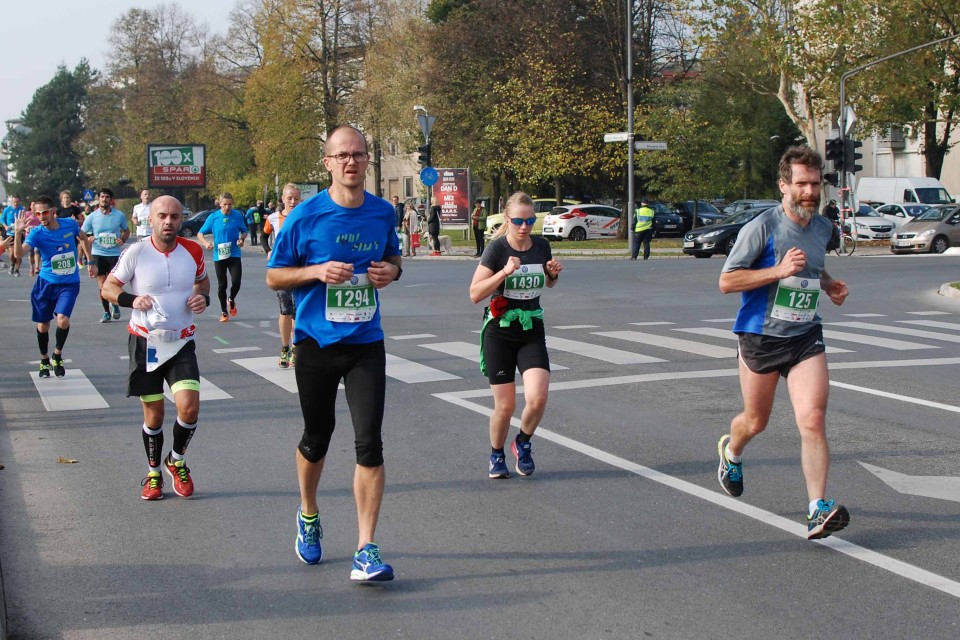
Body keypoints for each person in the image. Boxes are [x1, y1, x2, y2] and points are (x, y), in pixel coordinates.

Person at [266, 124, 401, 582]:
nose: (351, 162)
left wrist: (390, 272)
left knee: (370, 443)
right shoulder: (304, 216)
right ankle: (308, 513)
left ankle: (366, 547)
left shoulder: (383, 212)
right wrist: (317, 271)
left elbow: (393, 259)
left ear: (367, 161)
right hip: (317, 343)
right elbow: (274, 277)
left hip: (366, 343)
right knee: (317, 437)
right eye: (341, 155)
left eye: (358, 154)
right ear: (327, 163)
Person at [716, 145, 851, 541]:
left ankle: (817, 509)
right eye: (801, 184)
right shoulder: (760, 228)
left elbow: (812, 269)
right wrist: (776, 270)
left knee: (812, 418)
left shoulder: (823, 228)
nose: (810, 192)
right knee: (755, 422)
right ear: (783, 185)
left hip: (805, 335)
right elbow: (727, 281)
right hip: (760, 336)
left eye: (814, 184)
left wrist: (830, 286)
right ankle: (732, 452)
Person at [101, 196, 211, 501]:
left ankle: (175, 461)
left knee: (189, 408)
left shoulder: (193, 251)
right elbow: (108, 288)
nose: (169, 222)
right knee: (154, 416)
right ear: (151, 219)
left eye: (175, 216)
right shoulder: (136, 252)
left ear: (181, 219)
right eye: (162, 216)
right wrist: (131, 300)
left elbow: (203, 283)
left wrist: (203, 298)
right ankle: (152, 475)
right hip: (144, 343)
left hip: (181, 342)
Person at [469, 191, 563, 479]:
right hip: (500, 330)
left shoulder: (541, 246)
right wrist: (504, 273)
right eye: (519, 221)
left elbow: (547, 284)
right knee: (506, 405)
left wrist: (553, 273)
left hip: (531, 327)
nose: (524, 226)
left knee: (538, 397)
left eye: (530, 220)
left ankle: (522, 442)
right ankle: (496, 453)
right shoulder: (496, 249)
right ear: (507, 219)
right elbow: (475, 294)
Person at [10, 195, 87, 378]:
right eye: (38, 213)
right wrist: (18, 232)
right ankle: (44, 359)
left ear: (52, 211)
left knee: (62, 320)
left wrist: (90, 261)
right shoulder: (37, 233)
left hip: (69, 283)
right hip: (46, 283)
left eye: (44, 212)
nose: (41, 216)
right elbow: (19, 253)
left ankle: (57, 354)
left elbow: (83, 238)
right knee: (43, 326)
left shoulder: (69, 224)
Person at [263, 183, 302, 368]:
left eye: (296, 198)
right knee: (286, 310)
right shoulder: (273, 218)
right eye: (289, 198)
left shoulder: (305, 216)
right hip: (281, 270)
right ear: (283, 200)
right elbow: (264, 236)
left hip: (301, 270)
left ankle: (296, 348)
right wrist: (268, 250)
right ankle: (285, 347)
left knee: (299, 310)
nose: (293, 202)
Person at [82, 188, 130, 322]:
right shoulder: (92, 216)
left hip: (114, 254)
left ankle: (114, 303)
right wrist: (89, 238)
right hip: (98, 253)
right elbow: (82, 234)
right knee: (102, 285)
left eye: (107, 197)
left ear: (111, 200)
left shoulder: (119, 215)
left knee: (114, 283)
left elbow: (126, 231)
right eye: (102, 197)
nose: (104, 199)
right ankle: (106, 312)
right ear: (98, 199)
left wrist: (123, 239)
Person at [198, 193, 247, 322]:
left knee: (236, 282)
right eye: (224, 204)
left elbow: (244, 231)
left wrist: (241, 239)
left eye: (230, 204)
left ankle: (231, 299)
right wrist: (206, 243)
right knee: (222, 285)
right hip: (219, 254)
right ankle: (224, 311)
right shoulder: (213, 217)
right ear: (219, 204)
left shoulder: (237, 215)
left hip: (234, 253)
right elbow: (200, 234)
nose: (227, 207)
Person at [2, 195, 25, 275]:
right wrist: (5, 226)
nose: (16, 203)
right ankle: (12, 264)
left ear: (19, 202)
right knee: (12, 252)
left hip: (19, 233)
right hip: (10, 233)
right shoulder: (7, 209)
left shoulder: (22, 209)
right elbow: (2, 219)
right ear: (12, 201)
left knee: (19, 252)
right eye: (14, 201)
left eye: (17, 202)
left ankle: (17, 270)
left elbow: (24, 219)